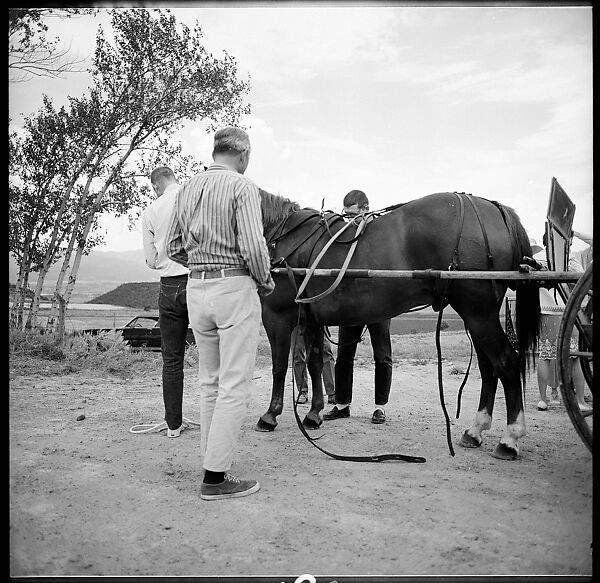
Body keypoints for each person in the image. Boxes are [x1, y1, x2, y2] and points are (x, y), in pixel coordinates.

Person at [166, 127, 275, 501]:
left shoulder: (187, 187)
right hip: (234, 287)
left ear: (216, 152)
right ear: (243, 155)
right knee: (234, 384)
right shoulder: (242, 187)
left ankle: (211, 465)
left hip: (197, 288)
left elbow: (172, 246)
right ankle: (215, 479)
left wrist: (201, 264)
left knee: (209, 381)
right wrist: (263, 280)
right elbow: (253, 246)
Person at [323, 190, 393, 424]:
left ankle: (380, 407)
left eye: (353, 214)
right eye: (346, 215)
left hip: (379, 301)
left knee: (382, 355)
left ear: (365, 209)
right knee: (344, 355)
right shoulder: (344, 232)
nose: (349, 219)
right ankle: (342, 404)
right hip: (351, 300)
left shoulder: (382, 232)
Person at [142, 166, 190, 438]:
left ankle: (173, 425)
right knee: (212, 355)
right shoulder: (193, 196)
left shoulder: (151, 210)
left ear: (155, 186)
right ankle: (214, 422)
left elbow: (150, 260)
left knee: (171, 359)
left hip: (169, 286)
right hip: (198, 280)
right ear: (174, 178)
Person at [532, 236, 591, 413]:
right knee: (575, 358)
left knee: (545, 356)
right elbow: (582, 280)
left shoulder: (537, 258)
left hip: (546, 311)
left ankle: (543, 399)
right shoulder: (569, 257)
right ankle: (580, 401)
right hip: (568, 311)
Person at [293, 326, 336, 405]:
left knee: (325, 350)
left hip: (316, 317)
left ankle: (332, 391)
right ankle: (302, 391)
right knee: (297, 353)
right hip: (296, 318)